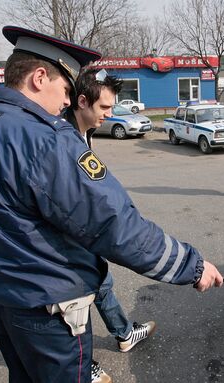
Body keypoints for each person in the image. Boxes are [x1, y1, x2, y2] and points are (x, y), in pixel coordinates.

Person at [0, 25, 223, 383]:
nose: (69, 101)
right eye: (67, 88)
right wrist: (192, 266)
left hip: (2, 296)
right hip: (49, 307)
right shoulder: (46, 139)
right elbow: (115, 224)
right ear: (40, 77)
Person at [64, 67, 156, 354]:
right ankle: (79, 363)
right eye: (104, 107)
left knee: (101, 282)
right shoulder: (61, 139)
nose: (109, 114)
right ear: (82, 102)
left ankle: (123, 333)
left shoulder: (84, 131)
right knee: (76, 294)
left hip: (84, 231)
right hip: (67, 235)